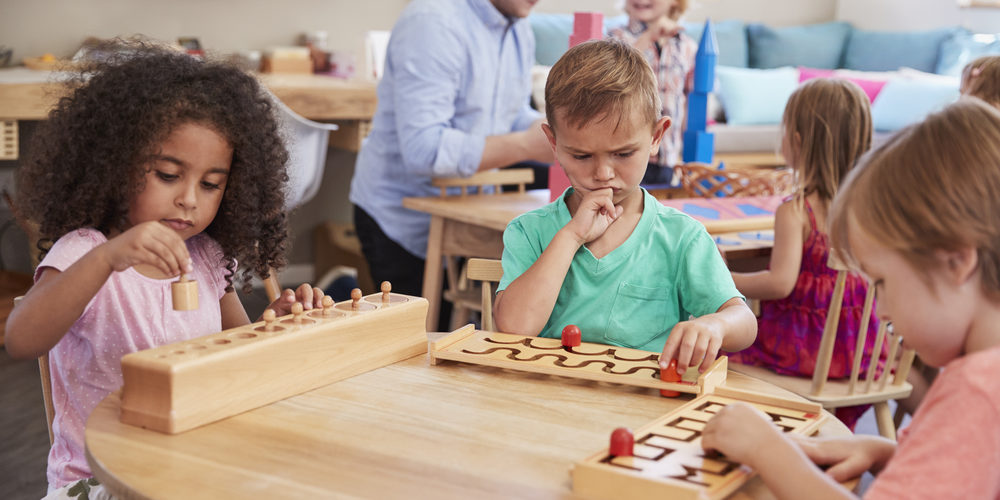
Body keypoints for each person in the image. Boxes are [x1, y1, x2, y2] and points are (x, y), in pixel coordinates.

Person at [5, 41, 326, 498]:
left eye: (211, 184)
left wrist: (282, 321)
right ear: (114, 164)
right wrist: (107, 259)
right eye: (168, 175)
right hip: (102, 478)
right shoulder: (84, 253)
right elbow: (21, 340)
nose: (190, 199)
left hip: (191, 463)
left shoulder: (207, 256)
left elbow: (237, 353)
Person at [702, 98, 1000, 499]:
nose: (881, 310)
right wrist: (884, 451)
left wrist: (766, 449)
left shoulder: (977, 391)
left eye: (881, 282)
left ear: (957, 262)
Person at [493, 39, 756, 376]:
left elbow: (744, 321)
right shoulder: (530, 231)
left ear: (657, 136)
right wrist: (571, 236)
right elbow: (515, 327)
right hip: (545, 402)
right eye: (582, 156)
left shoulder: (680, 236)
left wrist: (717, 325)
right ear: (554, 144)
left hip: (641, 408)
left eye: (623, 154)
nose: (603, 174)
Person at [349, 0, 554, 305]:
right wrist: (526, 144)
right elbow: (425, 149)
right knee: (420, 340)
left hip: (465, 213)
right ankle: (343, 288)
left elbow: (509, 116)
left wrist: (552, 127)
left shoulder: (519, 29)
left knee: (458, 331)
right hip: (400, 222)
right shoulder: (432, 22)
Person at [726, 78, 880, 430]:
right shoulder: (869, 207)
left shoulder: (796, 211)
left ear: (797, 142)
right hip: (858, 353)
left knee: (718, 346)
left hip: (801, 352)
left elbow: (779, 283)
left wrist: (727, 278)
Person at [607, 0, 696, 186]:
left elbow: (691, 101)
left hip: (666, 156)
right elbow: (612, 78)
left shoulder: (687, 46)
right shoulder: (614, 37)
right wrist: (648, 37)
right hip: (622, 152)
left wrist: (685, 153)